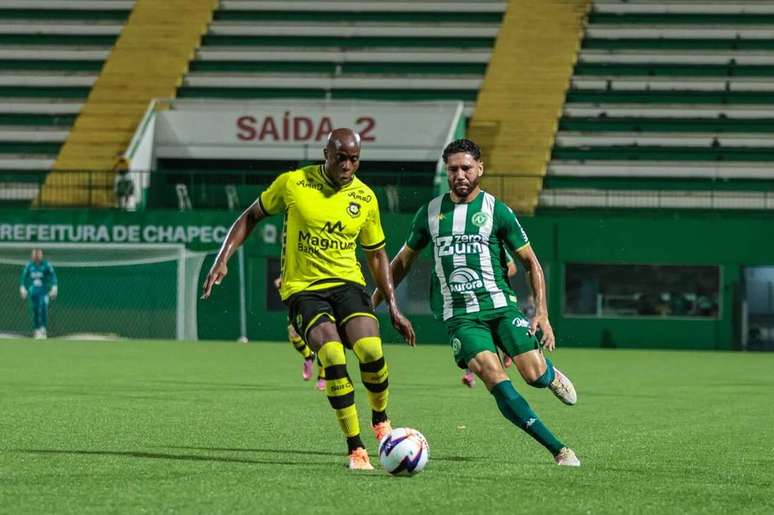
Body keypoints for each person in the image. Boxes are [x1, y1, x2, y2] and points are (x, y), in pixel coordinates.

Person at [202, 128, 415, 471]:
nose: (347, 165)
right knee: (331, 355)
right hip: (304, 289)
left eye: (354, 159)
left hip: (348, 285)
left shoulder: (365, 197)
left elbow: (376, 255)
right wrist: (222, 258)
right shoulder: (293, 183)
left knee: (372, 351)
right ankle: (356, 448)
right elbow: (250, 216)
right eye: (341, 157)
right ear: (326, 154)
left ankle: (381, 420)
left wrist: (392, 304)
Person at [373, 138, 580, 466]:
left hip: (501, 308)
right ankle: (559, 449)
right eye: (453, 169)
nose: (460, 175)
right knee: (494, 378)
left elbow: (530, 262)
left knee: (534, 376)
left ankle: (550, 375)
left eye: (466, 168)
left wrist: (542, 312)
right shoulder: (429, 212)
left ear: (480, 169)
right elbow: (401, 262)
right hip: (460, 317)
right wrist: (378, 300)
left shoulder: (497, 211)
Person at [461, 255, 517, 387]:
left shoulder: (495, 243)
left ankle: (508, 351)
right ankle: (469, 375)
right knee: (473, 340)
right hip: (473, 302)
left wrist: (490, 276)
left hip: (497, 299)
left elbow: (513, 268)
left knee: (496, 333)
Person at [274, 276, 325, 391]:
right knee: (293, 332)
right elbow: (278, 282)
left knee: (322, 338)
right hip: (300, 296)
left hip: (321, 297)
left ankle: (322, 376)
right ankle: (308, 356)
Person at [20, 248, 58, 339]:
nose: (36, 256)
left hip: (44, 291)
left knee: (43, 308)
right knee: (35, 310)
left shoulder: (46, 265)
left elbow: (53, 276)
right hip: (33, 292)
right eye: (35, 254)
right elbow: (24, 277)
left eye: (38, 254)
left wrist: (54, 287)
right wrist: (22, 287)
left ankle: (43, 328)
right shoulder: (29, 266)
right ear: (32, 255)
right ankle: (37, 329)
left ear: (41, 255)